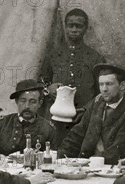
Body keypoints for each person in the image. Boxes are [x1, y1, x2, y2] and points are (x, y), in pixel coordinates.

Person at [39, 8, 105, 145]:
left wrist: (88, 111)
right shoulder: (54, 54)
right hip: (57, 117)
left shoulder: (95, 57)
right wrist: (48, 88)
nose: (74, 30)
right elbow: (41, 80)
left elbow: (101, 92)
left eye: (78, 26)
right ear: (65, 27)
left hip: (84, 117)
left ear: (86, 28)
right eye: (70, 26)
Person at [0, 79, 57, 155]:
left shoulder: (48, 129)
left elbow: (52, 158)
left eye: (33, 102)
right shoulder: (1, 124)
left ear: (40, 103)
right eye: (23, 101)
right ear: (17, 101)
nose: (27, 106)